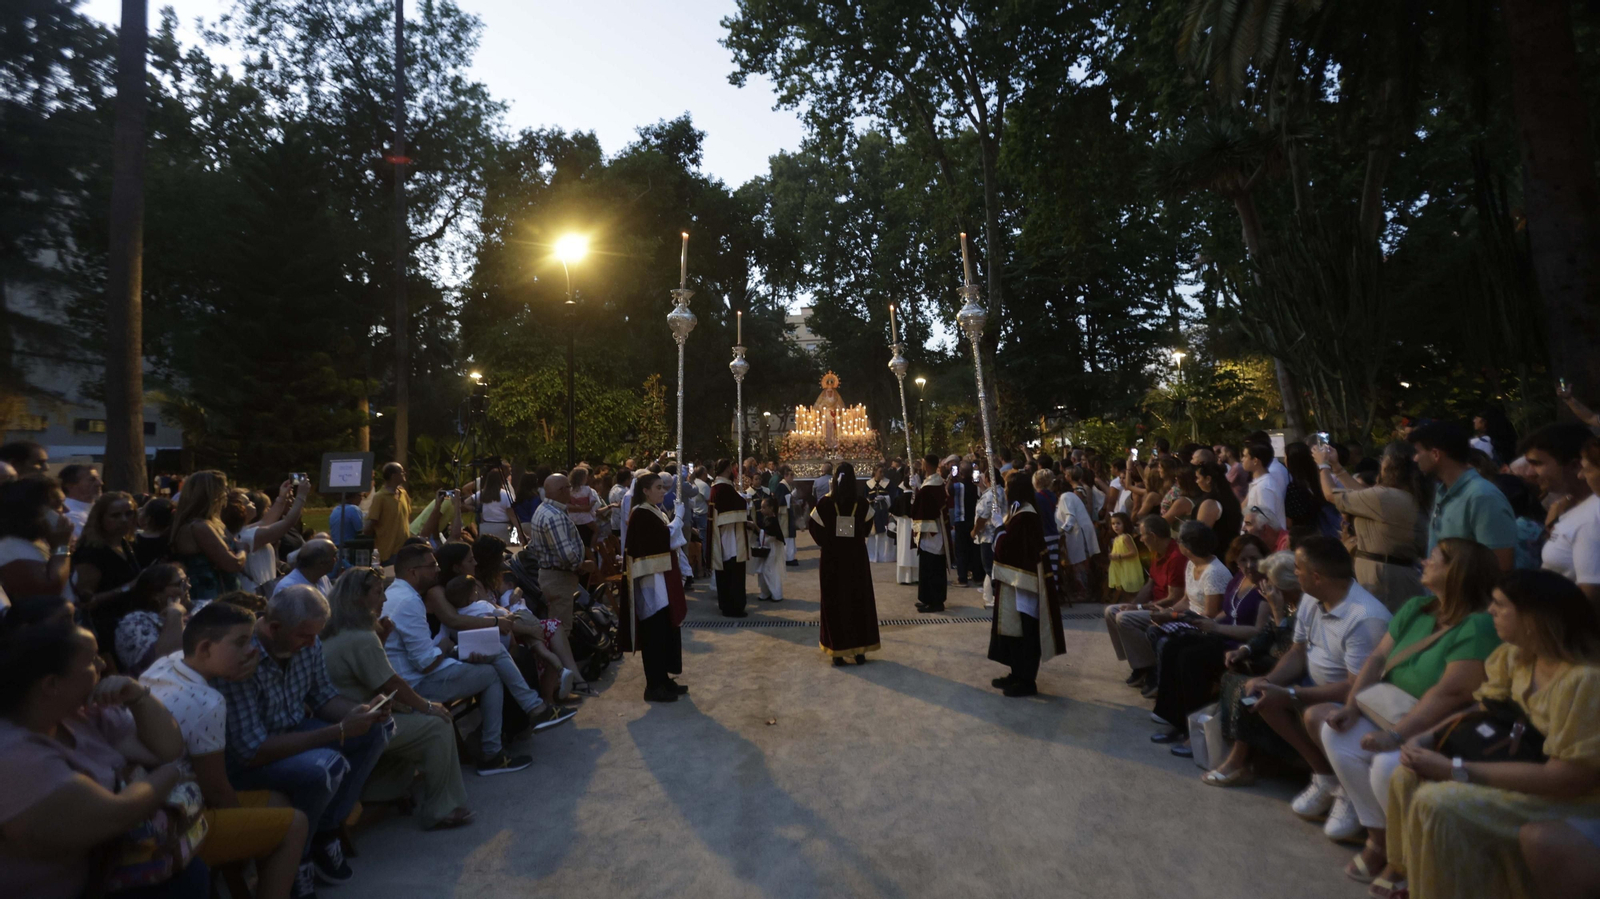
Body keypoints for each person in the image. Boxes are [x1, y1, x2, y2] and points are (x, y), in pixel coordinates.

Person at [1382, 570, 1600, 899]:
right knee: (1406, 776)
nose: (1490, 611)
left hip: (1570, 799)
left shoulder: (1584, 681)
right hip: (1515, 763)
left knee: (1437, 801)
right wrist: (1429, 737)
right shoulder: (1516, 656)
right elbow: (1483, 710)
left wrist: (1456, 770)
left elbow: (1569, 779)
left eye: (1500, 605)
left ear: (1533, 618)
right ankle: (1418, 881)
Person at [1312, 538, 1501, 883]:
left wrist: (1396, 736)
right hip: (1388, 711)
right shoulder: (1417, 607)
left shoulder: (1478, 626)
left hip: (1436, 726)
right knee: (1336, 732)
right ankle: (1380, 841)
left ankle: (1405, 857)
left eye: (1435, 559)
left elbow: (1452, 692)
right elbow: (1379, 658)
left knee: (1389, 763)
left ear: (1457, 573)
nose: (1424, 561)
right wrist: (1352, 707)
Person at [0, 618, 209, 899]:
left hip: (115, 874)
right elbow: (118, 814)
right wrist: (171, 774)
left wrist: (138, 696)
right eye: (91, 660)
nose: (102, 665)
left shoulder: (80, 713)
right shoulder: (14, 754)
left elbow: (168, 748)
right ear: (51, 684)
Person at [217, 585, 392, 887]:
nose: (313, 643)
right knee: (326, 766)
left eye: (315, 635)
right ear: (274, 628)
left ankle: (324, 830)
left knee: (378, 728)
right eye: (305, 636)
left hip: (293, 731)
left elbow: (324, 697)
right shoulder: (242, 657)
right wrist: (336, 732)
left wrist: (358, 713)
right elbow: (251, 750)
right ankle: (298, 854)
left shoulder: (306, 642)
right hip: (251, 759)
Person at [140, 602, 312, 899]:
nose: (251, 652)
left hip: (162, 803)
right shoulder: (208, 703)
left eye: (251, 640)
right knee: (296, 824)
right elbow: (217, 792)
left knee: (279, 800)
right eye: (241, 643)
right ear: (206, 647)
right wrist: (244, 847)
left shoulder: (169, 663)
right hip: (176, 821)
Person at [382, 544, 573, 774]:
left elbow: (422, 653)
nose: (436, 569)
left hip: (416, 672)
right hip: (416, 684)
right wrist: (448, 648)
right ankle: (506, 738)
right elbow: (426, 663)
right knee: (492, 670)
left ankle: (525, 718)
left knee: (493, 654)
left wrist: (451, 649)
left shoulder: (398, 594)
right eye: (431, 565)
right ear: (413, 571)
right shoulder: (409, 602)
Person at [1241, 537, 1392, 823]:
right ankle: (1325, 778)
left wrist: (1291, 694)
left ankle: (1350, 791)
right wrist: (1269, 681)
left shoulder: (1365, 617)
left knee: (1312, 714)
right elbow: (1298, 651)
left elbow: (1355, 687)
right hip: (1314, 685)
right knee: (1262, 697)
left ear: (1317, 577)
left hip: (1352, 702)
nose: (1294, 573)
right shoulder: (1312, 597)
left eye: (1298, 568)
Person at [319, 567, 473, 831]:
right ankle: (440, 809)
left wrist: (381, 638)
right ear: (359, 598)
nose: (384, 600)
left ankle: (376, 793)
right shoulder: (360, 636)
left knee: (419, 722)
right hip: (360, 724)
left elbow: (366, 674)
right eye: (378, 593)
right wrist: (427, 706)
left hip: (352, 718)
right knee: (438, 726)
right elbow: (390, 681)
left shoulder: (340, 630)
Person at [1150, 534, 1270, 753]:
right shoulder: (1239, 578)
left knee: (1191, 658)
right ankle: (1177, 721)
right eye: (1243, 560)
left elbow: (1258, 631)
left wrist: (1217, 628)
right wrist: (1211, 622)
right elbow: (1228, 609)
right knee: (1172, 646)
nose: (1250, 565)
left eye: (1255, 558)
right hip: (1222, 635)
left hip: (1241, 645)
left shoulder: (1266, 587)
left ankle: (1194, 732)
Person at [1203, 551, 1307, 786]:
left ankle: (1238, 761)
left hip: (1296, 671)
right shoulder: (1286, 602)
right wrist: (1245, 650)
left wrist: (1278, 612)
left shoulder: (1302, 607)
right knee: (1231, 676)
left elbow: (1286, 651)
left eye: (1272, 581)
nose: (1267, 586)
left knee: (1246, 689)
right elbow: (1266, 633)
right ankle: (1239, 754)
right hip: (1274, 665)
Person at [1314, 440, 1427, 611]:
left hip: (1385, 578)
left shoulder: (1385, 497)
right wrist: (1337, 467)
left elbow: (1330, 495)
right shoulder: (1399, 495)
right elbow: (1362, 494)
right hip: (1391, 574)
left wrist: (1323, 465)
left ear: (1389, 464)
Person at [987, 470, 1067, 697]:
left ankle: (1027, 680)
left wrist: (999, 529)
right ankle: (1016, 673)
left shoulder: (1026, 515)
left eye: (1007, 486)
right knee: (1016, 629)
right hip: (1018, 581)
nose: (1005, 490)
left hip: (1027, 582)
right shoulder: (1018, 511)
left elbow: (1009, 549)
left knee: (1027, 631)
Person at [618, 474, 689, 702]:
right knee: (654, 634)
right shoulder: (641, 513)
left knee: (665, 631)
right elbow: (664, 539)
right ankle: (653, 685)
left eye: (663, 487)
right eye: (658, 488)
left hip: (661, 579)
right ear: (645, 490)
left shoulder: (653, 510)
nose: (663, 492)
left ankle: (663, 679)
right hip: (650, 583)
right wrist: (678, 518)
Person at [1411, 421, 1517, 570]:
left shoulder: (1483, 497)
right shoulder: (1443, 492)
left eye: (1418, 452)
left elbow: (1500, 567)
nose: (1415, 458)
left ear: (1435, 454)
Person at [1102, 515, 1189, 690]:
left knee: (1124, 618)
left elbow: (1174, 597)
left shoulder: (1176, 557)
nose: (1141, 539)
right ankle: (1139, 665)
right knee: (1111, 611)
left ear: (1153, 536)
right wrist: (1133, 603)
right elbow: (1150, 584)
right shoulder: (1157, 553)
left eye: (1142, 535)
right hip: (1153, 605)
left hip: (1168, 610)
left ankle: (1150, 668)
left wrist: (1138, 607)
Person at [809, 463, 880, 666]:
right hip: (856, 559)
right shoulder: (862, 503)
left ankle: (837, 652)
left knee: (835, 601)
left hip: (832, 560)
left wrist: (828, 543)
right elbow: (867, 528)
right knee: (859, 600)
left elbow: (814, 528)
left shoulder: (824, 504)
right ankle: (859, 651)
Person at [1525, 423, 1600, 603]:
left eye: (1537, 463)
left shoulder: (1591, 518)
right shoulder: (1564, 507)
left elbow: (1591, 597)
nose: (1529, 473)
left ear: (1575, 465)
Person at [526, 473, 598, 636]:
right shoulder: (554, 516)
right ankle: (560, 661)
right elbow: (567, 556)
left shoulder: (544, 509)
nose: (571, 491)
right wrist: (584, 565)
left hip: (552, 575)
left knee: (557, 625)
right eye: (569, 487)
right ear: (562, 490)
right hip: (559, 578)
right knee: (561, 629)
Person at [168, 470, 245, 603]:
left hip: (223, 596)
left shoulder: (214, 523)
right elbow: (232, 563)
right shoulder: (200, 527)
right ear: (211, 494)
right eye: (223, 488)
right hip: (208, 599)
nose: (227, 493)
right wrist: (244, 550)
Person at [0, 474, 74, 600]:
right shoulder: (10, 546)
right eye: (58, 504)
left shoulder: (37, 541)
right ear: (32, 510)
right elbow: (49, 591)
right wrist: (62, 548)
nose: (66, 510)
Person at [109, 562, 189, 675]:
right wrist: (175, 613)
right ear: (155, 593)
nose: (188, 587)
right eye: (180, 584)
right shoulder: (134, 622)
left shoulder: (198, 608)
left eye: (187, 581)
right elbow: (162, 662)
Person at [70, 491, 143, 607]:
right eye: (115, 515)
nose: (124, 519)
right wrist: (128, 587)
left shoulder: (125, 542)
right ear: (100, 519)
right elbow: (84, 603)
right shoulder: (91, 552)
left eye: (129, 513)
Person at [706, 459, 753, 618]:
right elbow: (734, 506)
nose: (734, 471)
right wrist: (743, 501)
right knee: (733, 571)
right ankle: (734, 606)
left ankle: (726, 604)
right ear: (727, 469)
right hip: (729, 536)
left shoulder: (719, 486)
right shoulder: (723, 488)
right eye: (733, 468)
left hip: (727, 534)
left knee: (726, 571)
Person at [911, 455, 950, 613]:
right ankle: (926, 598)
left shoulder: (931, 486)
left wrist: (918, 492)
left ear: (927, 466)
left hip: (932, 532)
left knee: (933, 567)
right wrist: (918, 488)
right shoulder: (934, 482)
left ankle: (936, 602)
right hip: (932, 531)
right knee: (927, 566)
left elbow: (923, 506)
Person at [363, 462, 413, 565]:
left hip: (405, 549)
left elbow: (408, 517)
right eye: (401, 472)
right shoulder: (380, 497)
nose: (404, 473)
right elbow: (370, 525)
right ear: (393, 476)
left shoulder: (403, 493)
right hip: (388, 553)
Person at [1194, 461, 1244, 551]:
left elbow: (1200, 536)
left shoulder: (1210, 503)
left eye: (1198, 478)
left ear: (1208, 479)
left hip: (1216, 554)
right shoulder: (1229, 497)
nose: (1196, 482)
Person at [1243, 443, 1287, 532]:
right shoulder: (1260, 484)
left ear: (1255, 461)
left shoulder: (1264, 487)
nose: (1242, 459)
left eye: (1245, 456)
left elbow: (1266, 523)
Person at [949, 462, 980, 587]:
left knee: (961, 550)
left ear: (960, 472)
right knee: (974, 548)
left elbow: (948, 490)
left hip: (960, 520)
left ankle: (962, 578)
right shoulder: (976, 485)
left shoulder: (958, 486)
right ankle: (977, 576)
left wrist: (952, 477)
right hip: (973, 520)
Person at [973, 470, 1001, 606]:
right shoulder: (1002, 491)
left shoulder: (991, 495)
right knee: (991, 570)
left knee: (990, 569)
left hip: (989, 537)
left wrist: (974, 531)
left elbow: (982, 518)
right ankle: (989, 597)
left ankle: (996, 598)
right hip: (1000, 536)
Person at [273, 538, 338, 597]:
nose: (337, 559)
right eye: (334, 555)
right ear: (321, 563)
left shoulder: (323, 578)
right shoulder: (287, 588)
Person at [1105, 512, 1145, 603]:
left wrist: (1118, 556)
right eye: (1113, 524)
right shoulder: (1116, 538)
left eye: (1118, 523)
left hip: (1128, 568)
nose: (1115, 526)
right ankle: (1129, 606)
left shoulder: (1126, 537)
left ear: (1125, 524)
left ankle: (1135, 606)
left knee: (1130, 591)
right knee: (1123, 590)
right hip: (1121, 568)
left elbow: (1134, 552)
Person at [58, 463, 102, 543]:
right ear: (70, 486)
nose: (100, 483)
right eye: (92, 479)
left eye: (98, 479)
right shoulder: (70, 515)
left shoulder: (96, 508)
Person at [754, 496, 786, 602]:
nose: (761, 510)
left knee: (769, 570)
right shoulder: (766, 519)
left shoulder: (773, 520)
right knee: (762, 571)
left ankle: (776, 593)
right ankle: (765, 592)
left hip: (773, 547)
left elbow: (769, 533)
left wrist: (756, 528)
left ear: (771, 508)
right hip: (767, 546)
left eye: (764, 507)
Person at [565, 467, 603, 546]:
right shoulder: (587, 489)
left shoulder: (570, 489)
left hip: (572, 517)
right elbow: (592, 502)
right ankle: (592, 547)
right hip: (585, 517)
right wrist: (589, 505)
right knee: (596, 530)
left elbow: (567, 503)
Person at [134, 496, 174, 568]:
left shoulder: (136, 539)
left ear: (148, 519)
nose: (139, 510)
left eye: (142, 510)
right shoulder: (172, 539)